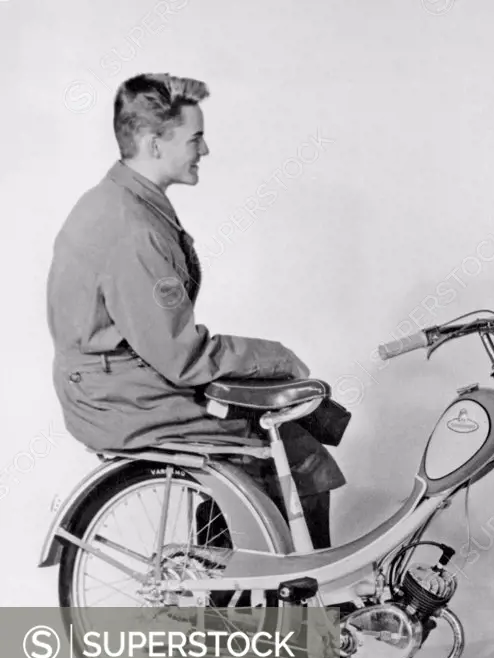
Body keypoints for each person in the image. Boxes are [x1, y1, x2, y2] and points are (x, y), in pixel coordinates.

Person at [46, 72, 346, 550]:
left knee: (291, 416)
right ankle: (290, 605)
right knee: (284, 442)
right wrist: (276, 357)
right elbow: (181, 356)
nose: (205, 150)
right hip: (120, 397)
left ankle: (248, 596)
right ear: (153, 143)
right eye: (196, 138)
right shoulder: (131, 227)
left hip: (118, 383)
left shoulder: (125, 203)